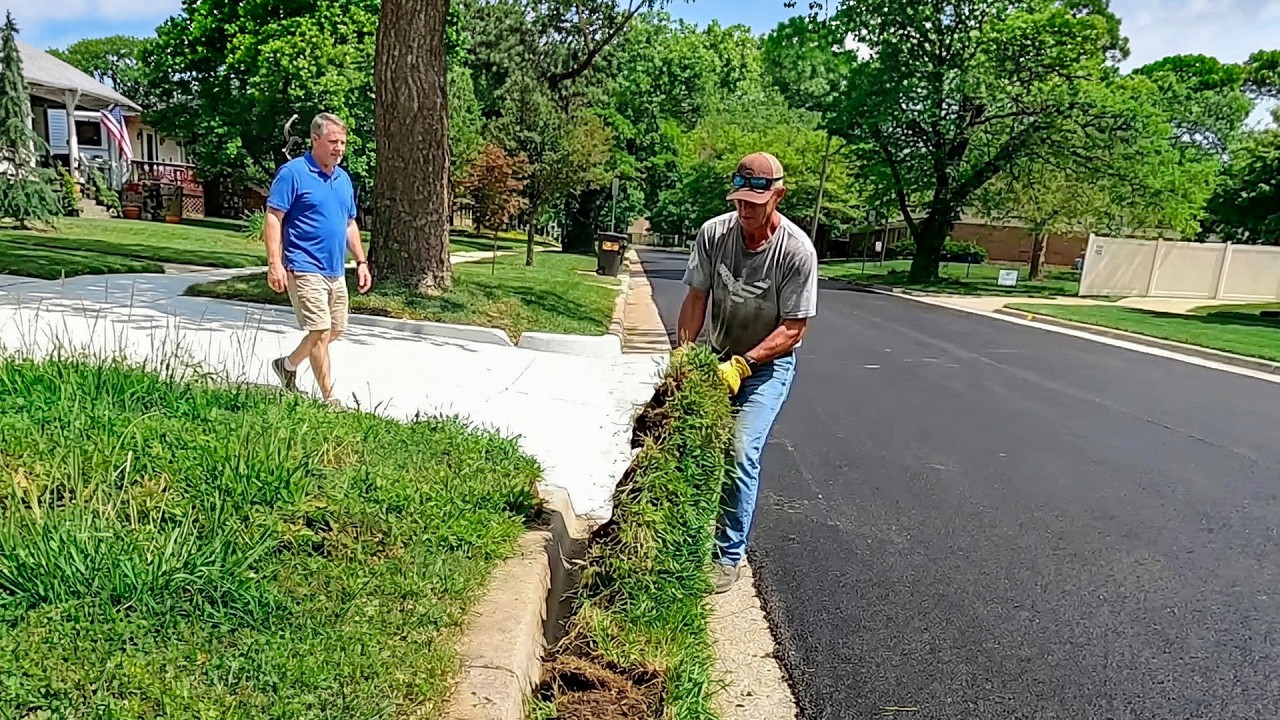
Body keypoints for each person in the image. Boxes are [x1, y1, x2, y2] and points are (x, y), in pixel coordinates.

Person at [678, 151, 819, 594]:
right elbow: (697, 297)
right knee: (690, 444)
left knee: (739, 450)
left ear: (778, 196)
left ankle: (726, 555)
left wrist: (744, 364)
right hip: (717, 354)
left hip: (766, 368)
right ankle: (682, 538)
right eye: (739, 201)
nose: (744, 211)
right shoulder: (714, 234)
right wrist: (684, 356)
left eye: (754, 204)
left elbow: (794, 330)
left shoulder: (796, 252)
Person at [265, 112, 372, 403]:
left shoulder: (343, 179)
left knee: (335, 328)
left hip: (335, 270)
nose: (339, 148)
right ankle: (329, 399)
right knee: (320, 330)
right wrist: (275, 263)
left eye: (343, 143)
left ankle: (286, 365)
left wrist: (361, 262)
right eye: (333, 142)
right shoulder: (293, 173)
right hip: (303, 266)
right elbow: (274, 217)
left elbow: (349, 223)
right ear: (315, 140)